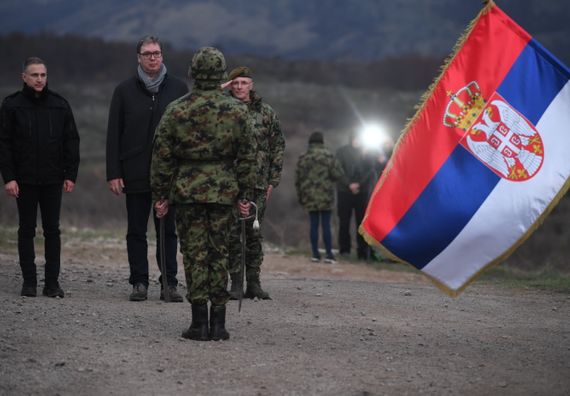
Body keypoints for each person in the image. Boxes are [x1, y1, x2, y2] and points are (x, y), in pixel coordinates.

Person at [150, 47, 257, 341]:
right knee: (220, 252)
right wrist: (245, 194)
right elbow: (249, 157)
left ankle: (199, 323)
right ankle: (219, 323)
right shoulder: (238, 111)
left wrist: (161, 193)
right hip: (224, 191)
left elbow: (162, 157)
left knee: (195, 255)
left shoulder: (177, 109)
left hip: (188, 191)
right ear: (223, 75)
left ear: (193, 74)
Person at [106, 35, 188, 302]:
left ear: (162, 56)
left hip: (169, 174)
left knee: (168, 230)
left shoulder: (178, 88)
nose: (153, 57)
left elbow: (187, 135)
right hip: (134, 169)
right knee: (136, 230)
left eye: (157, 53)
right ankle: (139, 282)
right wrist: (114, 172)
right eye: (147, 53)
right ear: (138, 58)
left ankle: (170, 285)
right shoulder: (124, 90)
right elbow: (113, 134)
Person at [0, 57, 80, 298]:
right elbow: (4, 144)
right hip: (23, 180)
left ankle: (52, 283)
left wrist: (70, 174)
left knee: (52, 230)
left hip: (53, 179)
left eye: (43, 75)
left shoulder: (60, 105)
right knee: (26, 229)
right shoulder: (12, 105)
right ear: (24, 77)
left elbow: (71, 141)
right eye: (34, 75)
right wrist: (9, 178)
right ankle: (29, 282)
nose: (39, 79)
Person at [223, 66, 285, 300]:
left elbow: (278, 145)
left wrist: (273, 180)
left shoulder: (266, 113)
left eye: (243, 83)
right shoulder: (224, 109)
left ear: (252, 85)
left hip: (259, 182)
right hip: (230, 181)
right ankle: (235, 282)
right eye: (235, 83)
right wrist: (222, 89)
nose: (239, 87)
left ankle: (254, 282)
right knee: (232, 233)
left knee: (253, 233)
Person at [295, 132, 345, 263]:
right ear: (322, 142)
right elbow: (338, 174)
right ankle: (329, 254)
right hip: (326, 196)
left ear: (310, 142)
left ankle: (315, 254)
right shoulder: (328, 156)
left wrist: (301, 196)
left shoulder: (304, 157)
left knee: (314, 224)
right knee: (326, 225)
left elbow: (298, 179)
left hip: (309, 196)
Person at [335, 131, 376, 260]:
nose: (357, 140)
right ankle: (344, 250)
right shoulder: (341, 152)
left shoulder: (367, 151)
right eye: (355, 138)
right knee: (344, 222)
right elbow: (337, 169)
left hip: (362, 193)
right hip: (344, 192)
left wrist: (359, 184)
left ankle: (363, 252)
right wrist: (349, 184)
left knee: (361, 223)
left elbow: (370, 170)